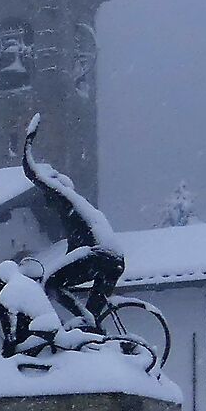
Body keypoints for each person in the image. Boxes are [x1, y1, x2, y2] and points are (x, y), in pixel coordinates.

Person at [17, 111, 125, 333]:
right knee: (92, 322)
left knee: (51, 284)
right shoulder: (78, 212)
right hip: (113, 260)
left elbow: (33, 174)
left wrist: (28, 143)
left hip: (99, 254)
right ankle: (95, 332)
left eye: (47, 196)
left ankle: (83, 321)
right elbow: (71, 255)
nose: (46, 201)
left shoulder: (67, 198)